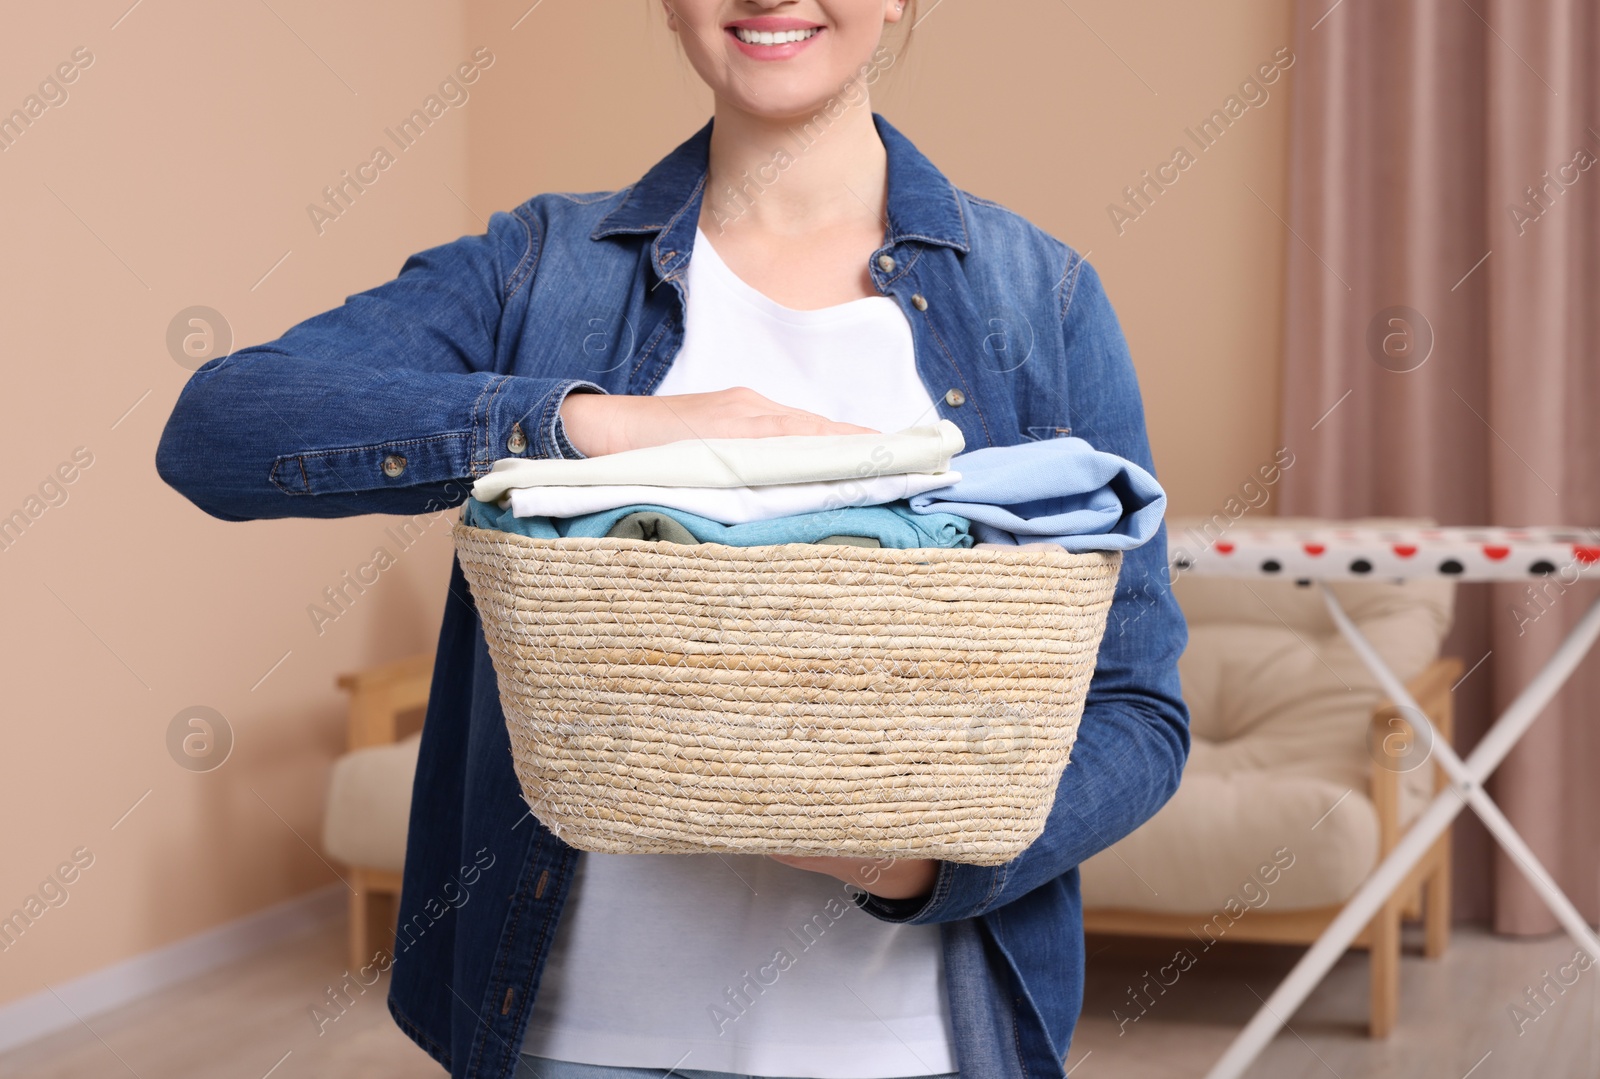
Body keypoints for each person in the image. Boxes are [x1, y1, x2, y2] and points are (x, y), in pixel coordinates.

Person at [154, 2, 1190, 1078]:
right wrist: (596, 425)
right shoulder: (540, 268)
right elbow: (220, 426)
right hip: (572, 1037)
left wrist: (916, 861)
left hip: (907, 1047)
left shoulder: (1042, 299)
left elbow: (1138, 712)